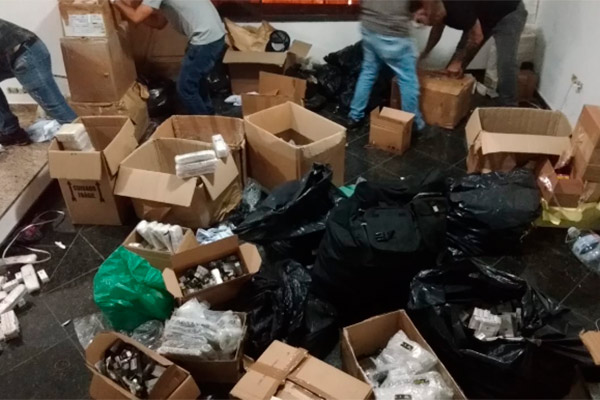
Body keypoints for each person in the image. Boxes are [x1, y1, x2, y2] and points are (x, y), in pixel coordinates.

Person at [113, 0, 226, 115]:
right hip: (214, 36)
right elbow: (159, 23)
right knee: (197, 83)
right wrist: (133, 13)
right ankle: (210, 117)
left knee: (185, 89)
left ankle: (204, 122)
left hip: (205, 40)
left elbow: (136, 17)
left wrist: (115, 2)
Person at [420, 0, 528, 106]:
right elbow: (436, 31)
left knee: (506, 62)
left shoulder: (457, 7)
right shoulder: (438, 9)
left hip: (509, 13)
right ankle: (450, 104)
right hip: (482, 19)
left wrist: (458, 61)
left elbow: (477, 37)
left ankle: (508, 104)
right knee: (453, 69)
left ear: (436, 13)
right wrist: (424, 52)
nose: (424, 24)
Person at [346, 0, 427, 131]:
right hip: (394, 33)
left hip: (369, 27)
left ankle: (354, 117)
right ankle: (413, 124)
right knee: (408, 80)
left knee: (368, 72)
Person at [0, 19, 77, 146]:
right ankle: (11, 132)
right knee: (53, 104)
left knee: (53, 106)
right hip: (10, 54)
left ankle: (84, 143)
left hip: (26, 53)